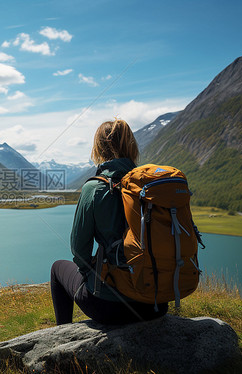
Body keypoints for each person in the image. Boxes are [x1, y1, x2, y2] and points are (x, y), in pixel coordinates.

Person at [50, 119, 168, 325]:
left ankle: (62, 338)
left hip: (109, 307)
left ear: (98, 149)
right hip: (156, 303)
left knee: (57, 268)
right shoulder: (153, 187)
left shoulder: (94, 189)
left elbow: (79, 252)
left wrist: (97, 276)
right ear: (132, 147)